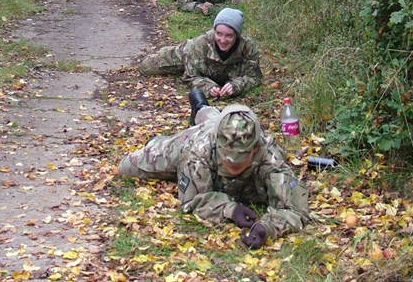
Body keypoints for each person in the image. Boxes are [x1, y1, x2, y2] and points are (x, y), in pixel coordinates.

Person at [118, 89, 310, 249]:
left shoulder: (270, 156)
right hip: (193, 138)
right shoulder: (198, 151)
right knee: (126, 167)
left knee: (213, 119)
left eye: (240, 160)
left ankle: (204, 110)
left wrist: (267, 228)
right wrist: (230, 209)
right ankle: (198, 112)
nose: (232, 165)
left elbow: (296, 209)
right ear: (217, 147)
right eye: (227, 158)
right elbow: (191, 200)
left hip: (215, 130)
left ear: (255, 149)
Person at [139, 8, 263, 99]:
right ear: (214, 31)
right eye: (219, 34)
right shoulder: (200, 44)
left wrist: (236, 86)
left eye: (229, 36)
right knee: (146, 66)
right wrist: (209, 88)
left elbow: (254, 77)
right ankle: (152, 52)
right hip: (186, 55)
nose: (223, 40)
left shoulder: (248, 47)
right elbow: (191, 77)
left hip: (213, 71)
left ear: (237, 35)